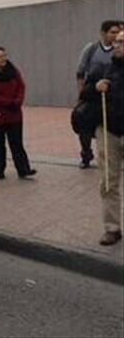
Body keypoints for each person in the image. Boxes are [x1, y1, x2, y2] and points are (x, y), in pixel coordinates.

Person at [82, 30, 124, 246]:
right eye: (116, 41)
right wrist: (96, 87)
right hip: (108, 130)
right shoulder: (104, 67)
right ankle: (112, 228)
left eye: (122, 42)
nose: (117, 45)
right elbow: (85, 92)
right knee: (108, 181)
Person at [0, 47, 37, 180]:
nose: (4, 59)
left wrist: (18, 101)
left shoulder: (13, 71)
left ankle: (23, 169)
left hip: (14, 113)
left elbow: (21, 86)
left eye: (4, 55)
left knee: (17, 143)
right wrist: (8, 102)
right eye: (0, 57)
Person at [75, 20, 122, 168]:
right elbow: (81, 72)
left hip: (111, 99)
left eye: (118, 33)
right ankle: (86, 155)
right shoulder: (91, 49)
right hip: (94, 95)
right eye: (112, 33)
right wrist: (81, 93)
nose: (115, 37)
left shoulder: (118, 53)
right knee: (85, 127)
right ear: (103, 33)